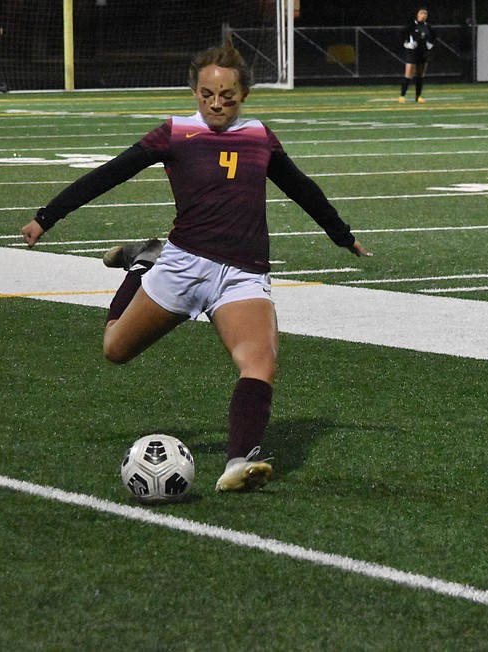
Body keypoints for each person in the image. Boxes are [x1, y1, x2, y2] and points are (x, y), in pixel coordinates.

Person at [20, 42, 371, 493]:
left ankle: (239, 460)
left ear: (244, 93)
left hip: (243, 273)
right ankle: (142, 266)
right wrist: (46, 217)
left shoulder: (259, 136)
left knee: (259, 362)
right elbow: (111, 172)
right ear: (194, 91)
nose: (216, 103)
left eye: (226, 95)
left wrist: (342, 235)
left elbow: (302, 187)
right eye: (207, 94)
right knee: (115, 349)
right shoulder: (174, 133)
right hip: (183, 266)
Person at [399, 7, 437, 103]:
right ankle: (402, 95)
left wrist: (430, 44)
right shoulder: (412, 25)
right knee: (409, 73)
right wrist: (408, 43)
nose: (423, 15)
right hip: (412, 52)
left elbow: (433, 36)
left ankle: (418, 96)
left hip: (423, 52)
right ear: (417, 14)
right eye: (421, 13)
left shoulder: (427, 26)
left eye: (425, 13)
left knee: (420, 74)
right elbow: (402, 34)